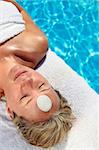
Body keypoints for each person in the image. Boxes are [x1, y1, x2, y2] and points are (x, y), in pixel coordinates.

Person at [0, 0, 75, 148]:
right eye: (41, 85)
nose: (27, 80)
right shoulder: (36, 44)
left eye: (25, 97)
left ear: (9, 110)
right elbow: (15, 5)